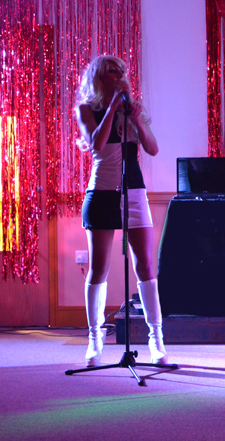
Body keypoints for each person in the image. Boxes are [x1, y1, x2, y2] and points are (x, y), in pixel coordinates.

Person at [75, 55, 167, 366]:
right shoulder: (86, 109)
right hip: (101, 193)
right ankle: (95, 339)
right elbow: (97, 144)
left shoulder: (132, 109)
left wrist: (136, 119)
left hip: (134, 192)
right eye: (113, 71)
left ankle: (156, 339)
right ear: (100, 77)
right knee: (99, 268)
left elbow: (152, 148)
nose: (120, 75)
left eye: (122, 71)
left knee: (146, 266)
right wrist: (113, 107)